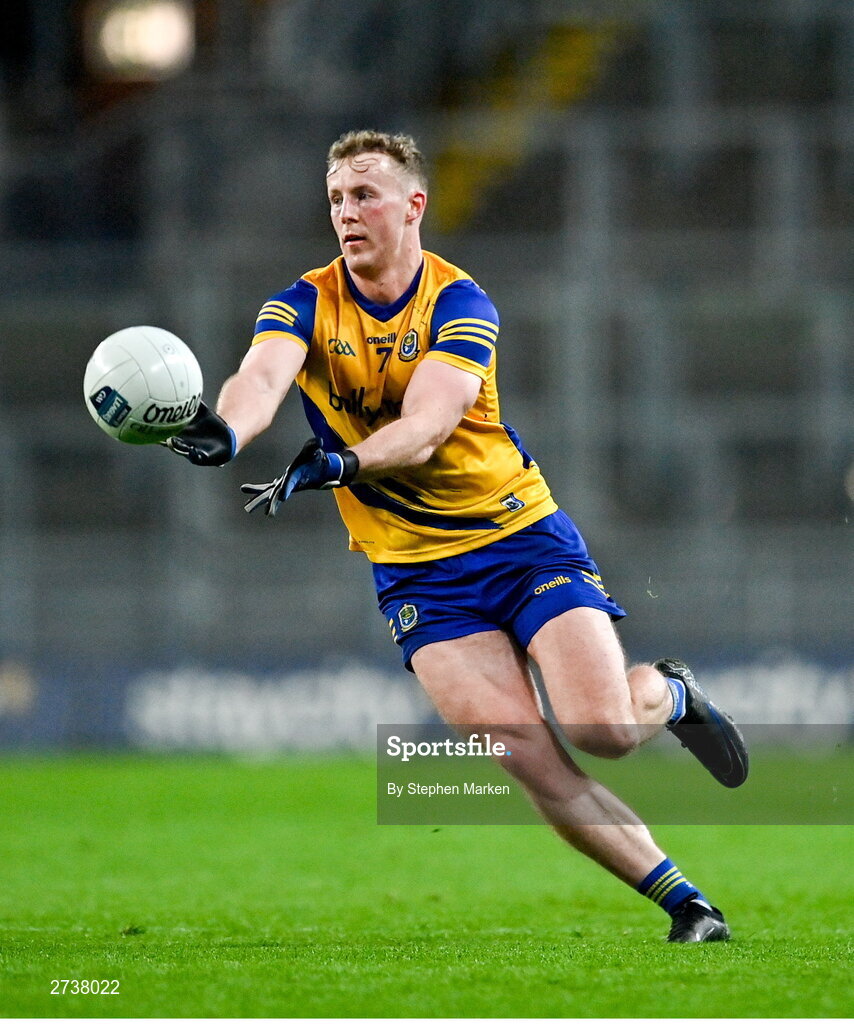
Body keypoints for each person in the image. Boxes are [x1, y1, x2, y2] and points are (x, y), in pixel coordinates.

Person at [166, 129, 748, 942]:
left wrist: (338, 467)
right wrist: (227, 432)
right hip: (417, 577)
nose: (346, 212)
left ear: (414, 205)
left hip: (519, 541)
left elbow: (429, 427)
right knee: (528, 757)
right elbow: (260, 377)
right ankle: (688, 904)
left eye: (364, 194)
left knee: (604, 732)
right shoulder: (302, 300)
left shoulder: (459, 301)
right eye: (335, 198)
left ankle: (672, 692)